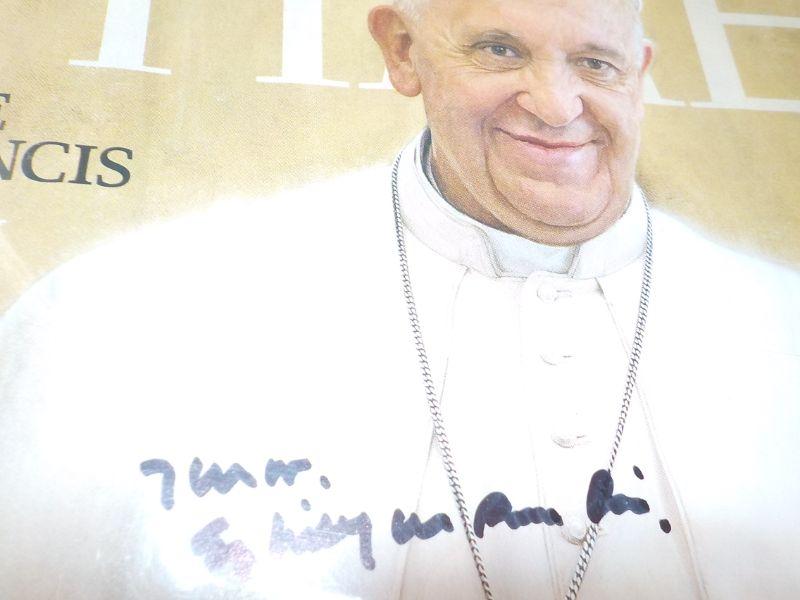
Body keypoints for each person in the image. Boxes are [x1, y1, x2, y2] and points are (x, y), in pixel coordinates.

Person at [0, 0, 798, 598]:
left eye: (596, 63)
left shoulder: (781, 322)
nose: (557, 106)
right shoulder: (131, 309)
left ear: (640, 74)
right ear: (403, 49)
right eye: (499, 49)